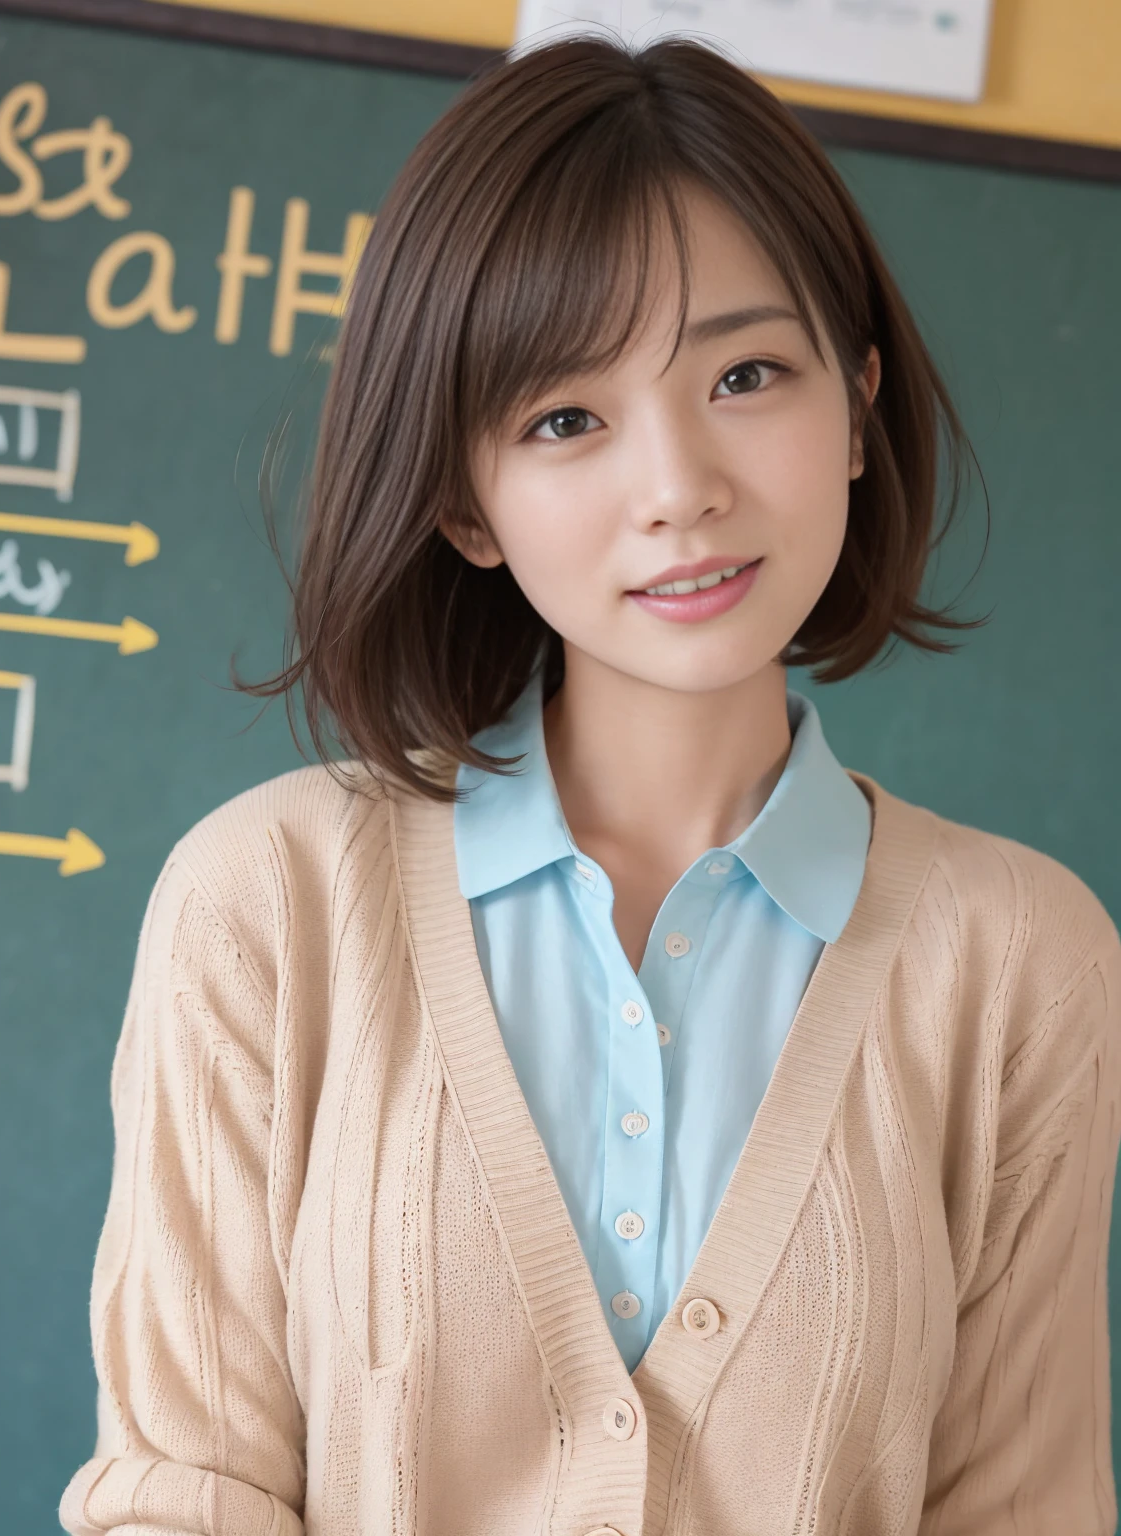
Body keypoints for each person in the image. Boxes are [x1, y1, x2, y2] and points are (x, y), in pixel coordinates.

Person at [60, 34, 1121, 1536]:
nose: (678, 482)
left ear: (861, 403)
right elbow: (184, 1494)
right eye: (566, 419)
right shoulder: (267, 904)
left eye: (747, 373)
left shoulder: (1026, 961)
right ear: (464, 504)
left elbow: (1026, 1508)